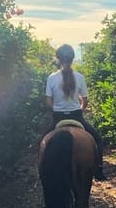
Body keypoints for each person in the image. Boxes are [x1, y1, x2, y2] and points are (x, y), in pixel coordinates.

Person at [44, 44, 107, 181]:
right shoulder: (80, 77)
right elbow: (85, 101)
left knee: (43, 142)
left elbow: (48, 102)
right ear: (72, 59)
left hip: (58, 118)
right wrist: (81, 108)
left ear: (58, 59)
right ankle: (99, 170)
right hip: (77, 117)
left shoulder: (51, 78)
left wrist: (57, 108)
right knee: (97, 140)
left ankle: (43, 171)